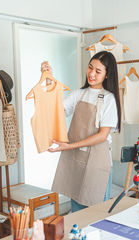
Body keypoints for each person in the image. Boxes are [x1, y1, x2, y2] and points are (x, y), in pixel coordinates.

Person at [45, 51, 121, 212]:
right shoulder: (79, 94)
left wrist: (69, 146)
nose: (91, 74)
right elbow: (56, 112)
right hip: (77, 160)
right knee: (77, 212)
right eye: (90, 68)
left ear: (107, 75)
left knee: (96, 213)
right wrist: (48, 80)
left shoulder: (109, 99)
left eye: (98, 71)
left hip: (96, 163)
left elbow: (102, 135)